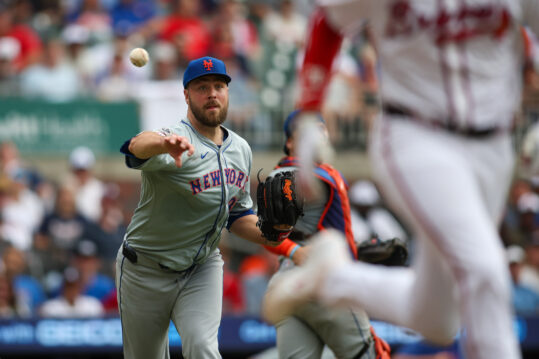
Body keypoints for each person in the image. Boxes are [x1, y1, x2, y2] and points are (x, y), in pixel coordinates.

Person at [263, 2, 539, 359]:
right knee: (485, 271)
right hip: (415, 135)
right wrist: (309, 111)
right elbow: (329, 22)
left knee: (439, 318)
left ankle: (331, 277)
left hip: (495, 145)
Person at [117, 55, 282, 359]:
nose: (212, 93)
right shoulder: (174, 139)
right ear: (186, 95)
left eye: (219, 85)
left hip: (201, 267)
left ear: (228, 92)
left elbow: (238, 215)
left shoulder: (241, 149)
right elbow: (135, 147)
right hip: (146, 269)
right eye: (202, 87)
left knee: (204, 348)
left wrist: (273, 233)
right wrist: (163, 146)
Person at [262, 110, 381, 358]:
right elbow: (268, 231)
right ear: (290, 143)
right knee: (371, 354)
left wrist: (356, 253)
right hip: (322, 279)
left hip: (289, 284)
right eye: (306, 132)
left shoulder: (320, 173)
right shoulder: (291, 175)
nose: (315, 136)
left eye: (320, 128)